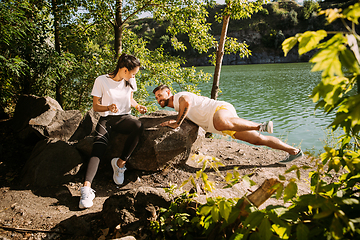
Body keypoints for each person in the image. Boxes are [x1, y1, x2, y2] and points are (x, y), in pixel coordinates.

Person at [153, 84, 303, 164]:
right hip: (221, 126)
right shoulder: (179, 109)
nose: (158, 99)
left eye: (160, 95)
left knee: (220, 122)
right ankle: (294, 151)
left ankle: (260, 126)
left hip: (219, 111)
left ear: (168, 92)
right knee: (256, 140)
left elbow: (187, 101)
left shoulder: (180, 97)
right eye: (156, 97)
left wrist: (177, 123)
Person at [79, 53, 147, 209]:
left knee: (138, 126)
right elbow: (96, 107)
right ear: (124, 70)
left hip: (124, 118)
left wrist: (137, 106)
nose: (134, 76)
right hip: (107, 119)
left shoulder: (130, 80)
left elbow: (130, 99)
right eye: (133, 73)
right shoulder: (101, 80)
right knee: (98, 149)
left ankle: (119, 163)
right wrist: (108, 107)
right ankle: (86, 189)